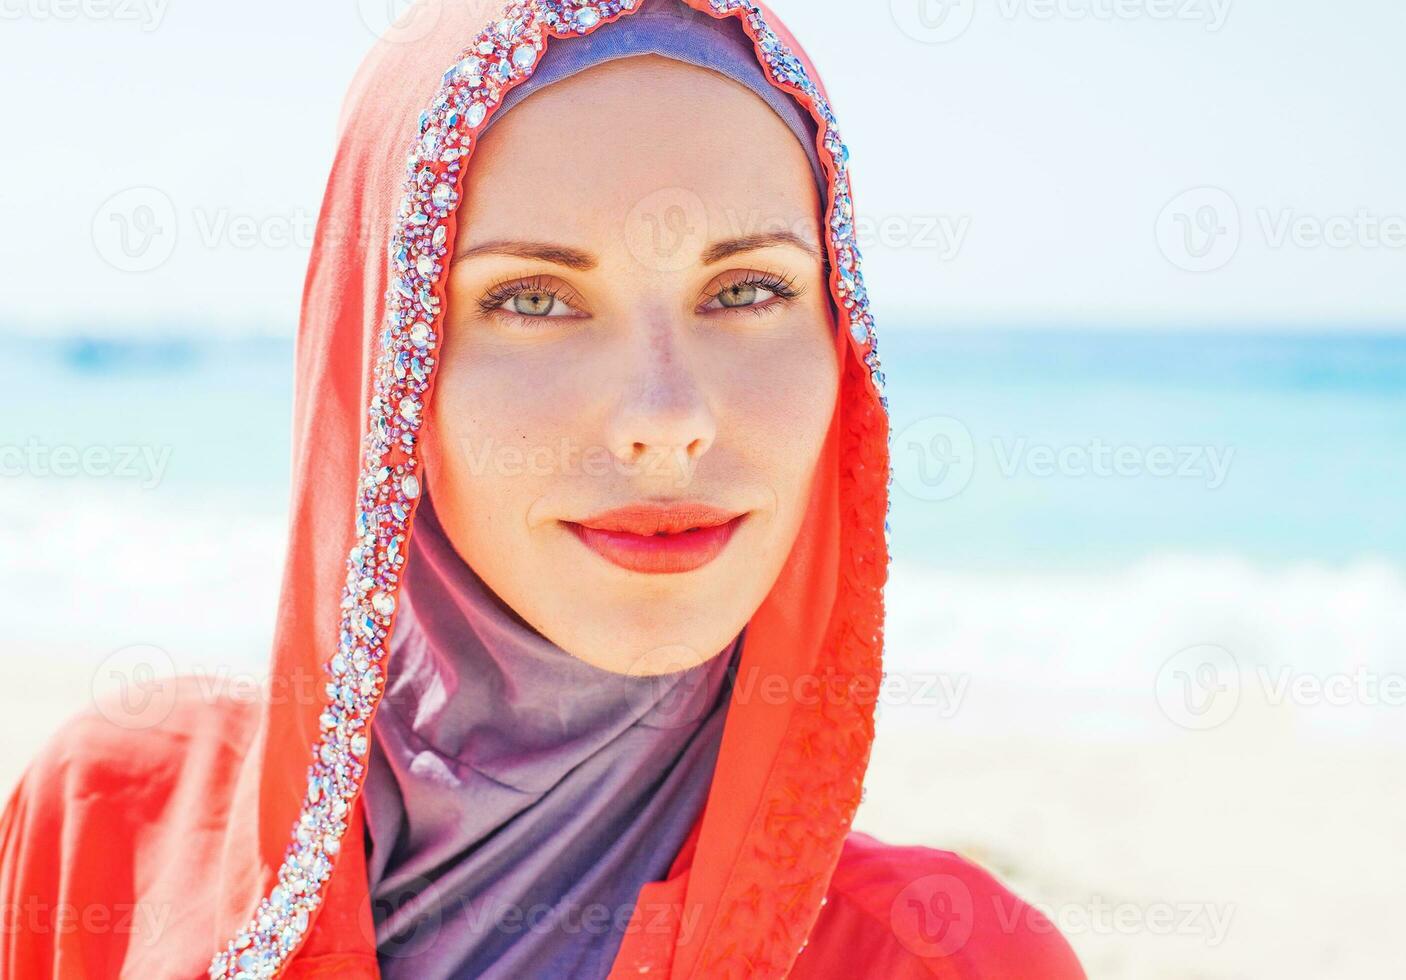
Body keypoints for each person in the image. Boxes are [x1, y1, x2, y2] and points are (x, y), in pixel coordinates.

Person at [0, 1, 1086, 977]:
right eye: (532, 297)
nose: (666, 419)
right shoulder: (105, 829)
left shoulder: (951, 960)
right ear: (386, 362)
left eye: (749, 288)